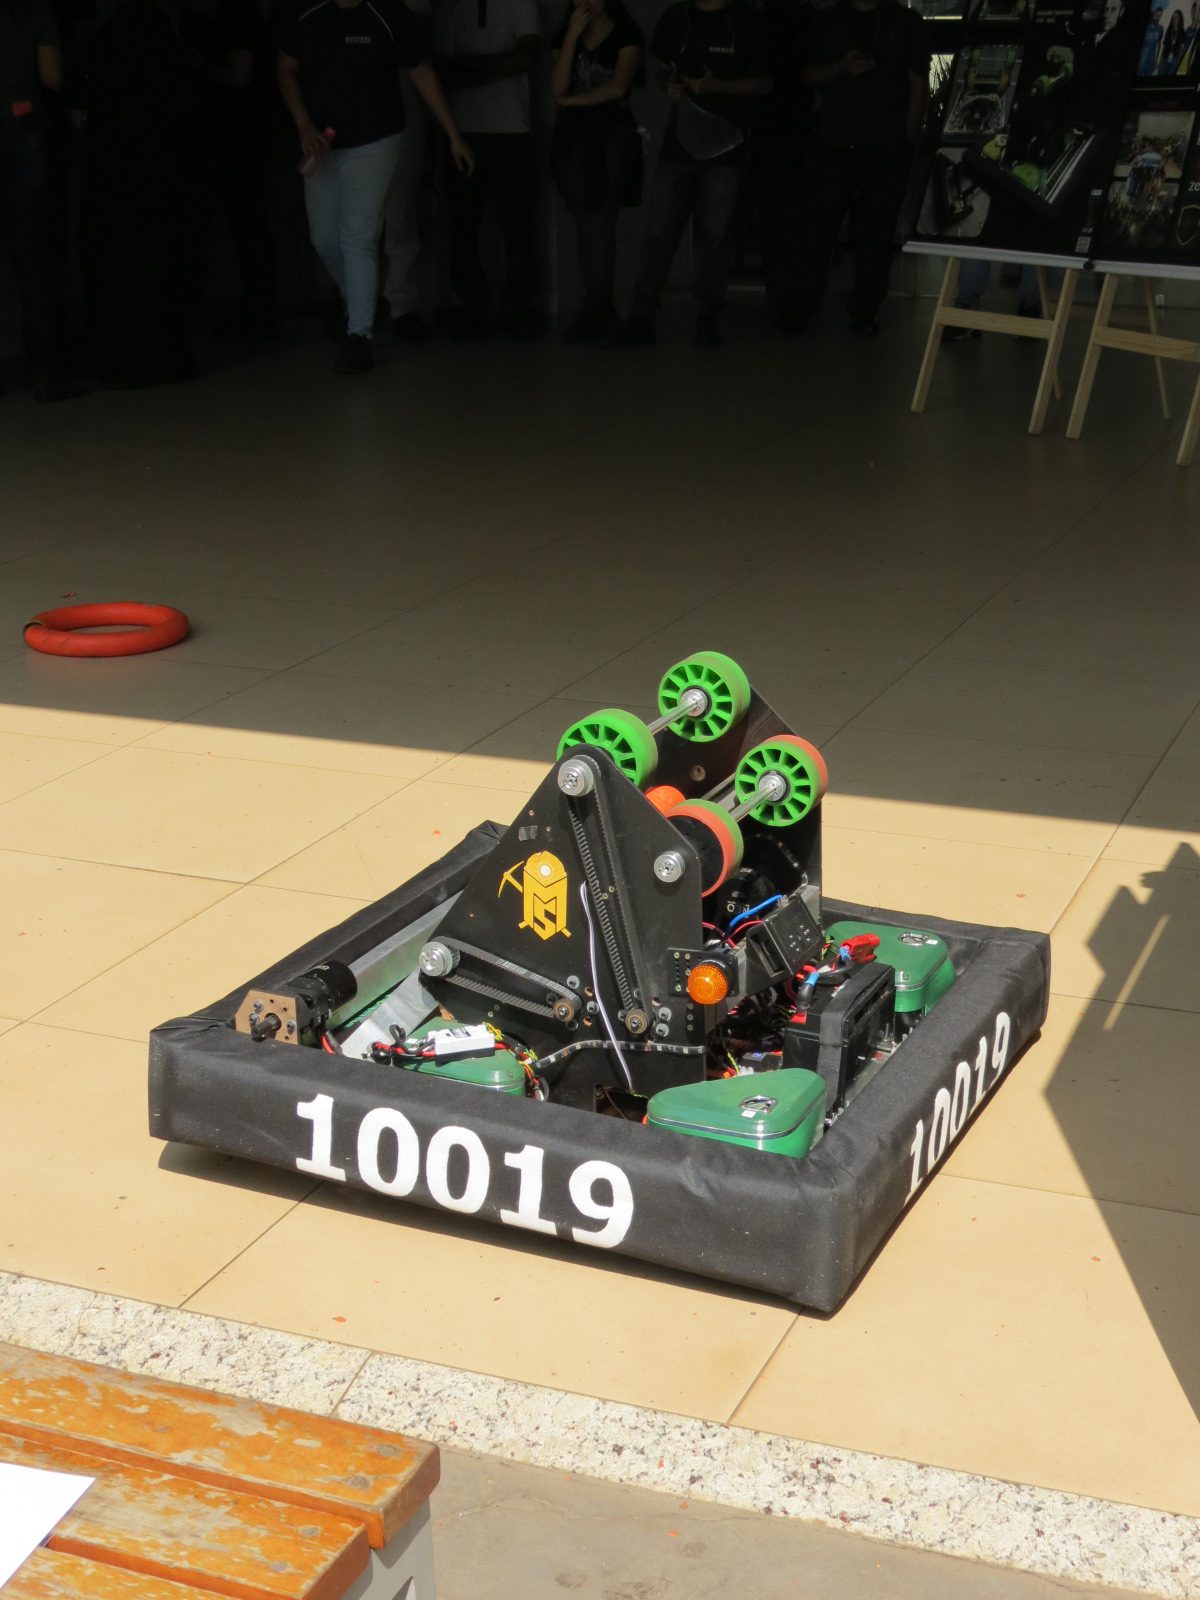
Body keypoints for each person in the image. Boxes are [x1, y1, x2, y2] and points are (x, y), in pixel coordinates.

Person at [278, 0, 473, 373]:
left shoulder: (388, 13)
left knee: (358, 235)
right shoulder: (305, 13)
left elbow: (421, 71)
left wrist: (453, 134)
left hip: (376, 138)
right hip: (321, 142)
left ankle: (359, 335)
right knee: (324, 237)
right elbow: (286, 67)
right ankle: (362, 300)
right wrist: (303, 123)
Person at [609, 0, 772, 349]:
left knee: (715, 236)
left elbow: (764, 84)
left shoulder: (746, 21)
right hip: (679, 143)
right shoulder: (677, 17)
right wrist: (668, 84)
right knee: (659, 233)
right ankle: (641, 316)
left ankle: (708, 317)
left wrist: (717, 87)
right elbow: (660, 69)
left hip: (726, 144)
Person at [775, 0, 928, 338]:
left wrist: (908, 138)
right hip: (835, 142)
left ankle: (863, 311)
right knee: (817, 229)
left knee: (876, 233)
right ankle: (799, 308)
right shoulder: (829, 21)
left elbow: (918, 80)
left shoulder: (905, 22)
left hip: (885, 144)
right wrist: (841, 68)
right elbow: (806, 75)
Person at [82, 0, 201, 388]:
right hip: (159, 164)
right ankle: (164, 355)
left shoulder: (107, 37)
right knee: (160, 258)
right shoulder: (158, 32)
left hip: (114, 169)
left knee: (119, 263)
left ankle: (123, 360)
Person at [433, 0, 542, 339]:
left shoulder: (521, 4)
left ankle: (518, 308)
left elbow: (526, 58)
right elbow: (443, 73)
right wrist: (502, 64)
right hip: (462, 134)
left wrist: (468, 63)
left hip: (512, 132)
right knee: (462, 227)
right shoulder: (450, 8)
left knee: (518, 227)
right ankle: (472, 306)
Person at [0, 0, 82, 399]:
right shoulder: (35, 10)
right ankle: (46, 374)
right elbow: (51, 77)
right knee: (34, 259)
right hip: (22, 124)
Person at [549, 0, 644, 342]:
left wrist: (572, 102)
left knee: (600, 218)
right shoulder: (565, 35)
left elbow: (618, 86)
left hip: (611, 134)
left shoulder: (627, 33)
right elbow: (557, 87)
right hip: (574, 138)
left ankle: (598, 306)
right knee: (587, 219)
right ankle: (598, 305)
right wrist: (572, 37)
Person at [187, 0, 279, 339]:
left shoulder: (236, 16)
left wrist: (198, 68)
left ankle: (259, 312)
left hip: (237, 138)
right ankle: (259, 310)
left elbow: (240, 76)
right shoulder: (236, 15)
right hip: (240, 137)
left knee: (247, 224)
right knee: (248, 225)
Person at [381, 0, 432, 340]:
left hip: (401, 101)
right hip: (350, 106)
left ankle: (402, 306)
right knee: (353, 219)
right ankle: (354, 300)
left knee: (399, 211)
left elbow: (419, 42)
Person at [1139, 5, 1163, 72]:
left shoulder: (1160, 28)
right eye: (1157, 15)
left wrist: (1156, 60)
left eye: (1160, 16)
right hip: (1141, 60)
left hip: (1151, 61)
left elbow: (1159, 45)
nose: (1158, 17)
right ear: (1154, 14)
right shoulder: (1146, 26)